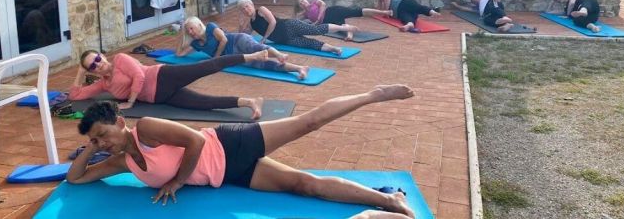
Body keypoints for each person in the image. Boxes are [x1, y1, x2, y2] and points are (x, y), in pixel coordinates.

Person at [66, 85, 416, 218]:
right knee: (304, 184)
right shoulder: (121, 162)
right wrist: (87, 147)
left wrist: (176, 182)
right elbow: (76, 179)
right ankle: (390, 201)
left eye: (103, 134)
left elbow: (197, 141)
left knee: (308, 124)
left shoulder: (146, 128)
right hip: (229, 175)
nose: (103, 142)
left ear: (120, 121)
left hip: (230, 143)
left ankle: (372, 95)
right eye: (97, 140)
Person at [69, 50, 268, 119]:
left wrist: (130, 102)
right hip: (160, 97)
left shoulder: (120, 59)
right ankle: (250, 102)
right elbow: (76, 95)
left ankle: (252, 56)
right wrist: (80, 72)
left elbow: (139, 76)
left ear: (102, 55)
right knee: (204, 103)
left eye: (97, 59)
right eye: (92, 66)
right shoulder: (105, 85)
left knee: (206, 66)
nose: (98, 65)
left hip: (163, 76)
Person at [177, 16, 310, 80]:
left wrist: (216, 58)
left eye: (191, 29)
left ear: (199, 25)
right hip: (235, 57)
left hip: (237, 41)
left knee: (256, 47)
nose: (191, 32)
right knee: (264, 65)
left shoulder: (211, 27)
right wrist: (181, 35)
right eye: (188, 31)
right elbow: (180, 54)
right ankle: (299, 69)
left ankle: (280, 55)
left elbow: (223, 40)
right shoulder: (196, 44)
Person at [237, 0, 358, 56]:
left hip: (289, 26)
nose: (246, 10)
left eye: (247, 6)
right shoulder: (251, 23)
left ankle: (344, 28)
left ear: (252, 5)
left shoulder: (261, 10)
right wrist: (241, 23)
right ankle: (334, 49)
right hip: (285, 40)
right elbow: (243, 36)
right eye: (243, 9)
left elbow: (273, 22)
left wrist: (264, 39)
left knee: (315, 30)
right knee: (310, 44)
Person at [294, 0, 392, 40]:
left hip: (333, 11)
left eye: (303, 0)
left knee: (358, 11)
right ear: (300, 6)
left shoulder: (315, 1)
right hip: (329, 21)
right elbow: (296, 19)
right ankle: (350, 34)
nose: (303, 3)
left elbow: (323, 5)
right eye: (300, 3)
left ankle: (383, 12)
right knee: (341, 28)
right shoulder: (305, 14)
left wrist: (318, 19)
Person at [376, 0, 441, 33]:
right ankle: (409, 25)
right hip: (400, 13)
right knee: (406, 17)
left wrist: (386, 12)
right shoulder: (384, 4)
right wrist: (380, 2)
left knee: (418, 7)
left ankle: (432, 12)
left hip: (404, 3)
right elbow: (379, 10)